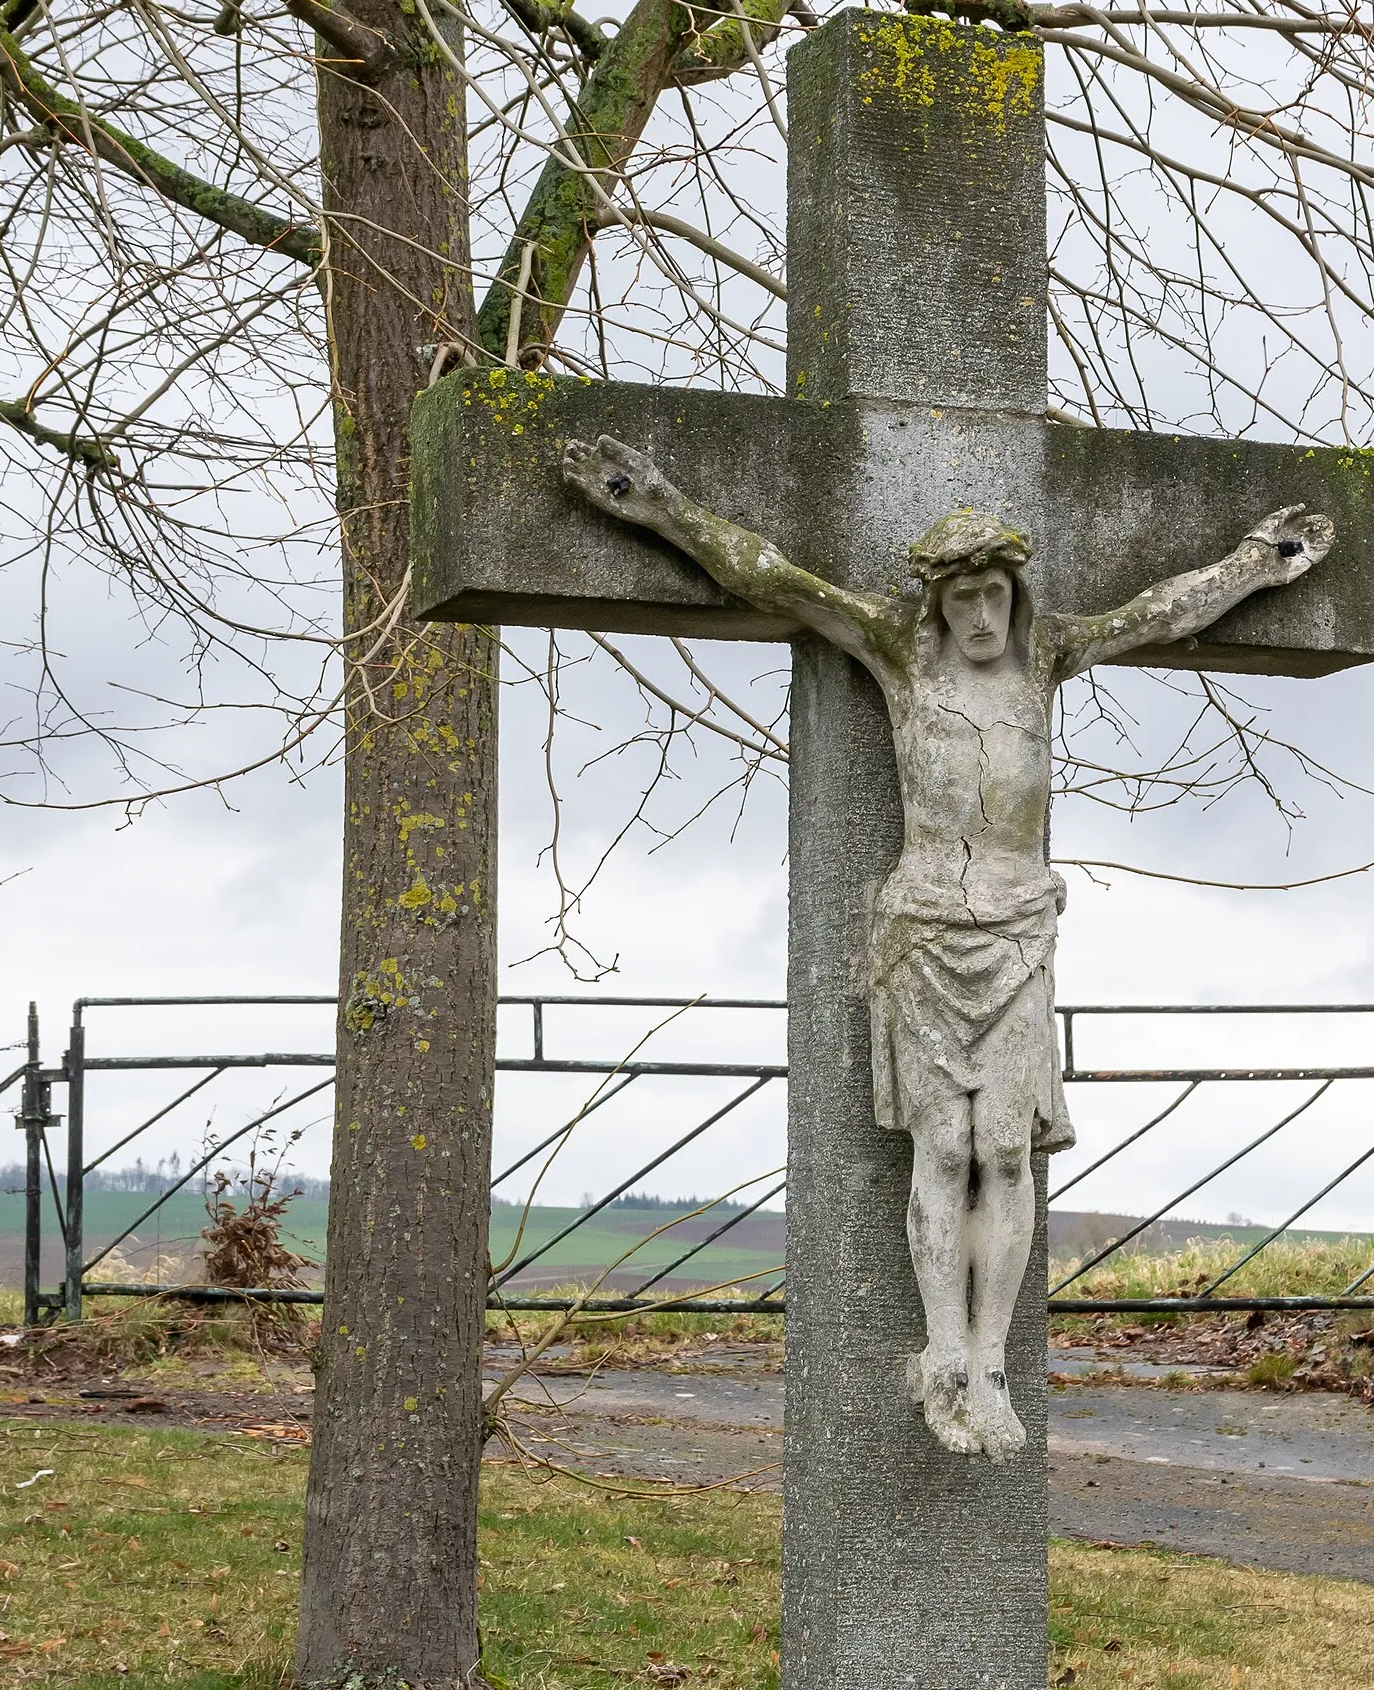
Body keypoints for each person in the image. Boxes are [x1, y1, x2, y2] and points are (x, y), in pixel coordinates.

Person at [562, 435, 1334, 1460]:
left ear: (1016, 595)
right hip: (924, 930)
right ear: (933, 605)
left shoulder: (1049, 655)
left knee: (1006, 1150)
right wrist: (657, 503)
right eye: (959, 599)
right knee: (944, 1148)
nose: (979, 617)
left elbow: (1161, 609)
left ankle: (992, 1360)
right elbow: (764, 572)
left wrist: (1254, 561)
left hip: (1017, 930)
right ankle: (943, 1356)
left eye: (993, 596)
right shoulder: (895, 650)